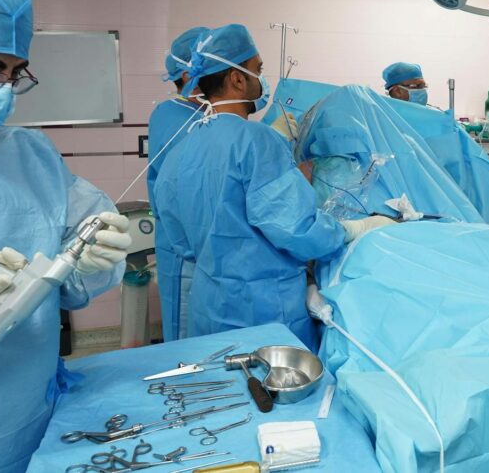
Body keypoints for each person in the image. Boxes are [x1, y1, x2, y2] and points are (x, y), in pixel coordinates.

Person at [0, 0, 132, 473]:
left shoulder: (30, 153)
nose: (2, 88)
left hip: (32, 410)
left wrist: (93, 258)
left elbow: (75, 262)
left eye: (14, 74)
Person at [153, 24, 391, 349]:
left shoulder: (183, 147)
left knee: (220, 376)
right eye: (258, 69)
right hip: (261, 310)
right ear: (237, 79)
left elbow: (179, 236)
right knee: (269, 380)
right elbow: (297, 229)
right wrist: (353, 229)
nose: (260, 80)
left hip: (209, 305)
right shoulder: (256, 141)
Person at [147, 26, 211, 341]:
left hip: (203, 249)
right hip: (185, 251)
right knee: (186, 339)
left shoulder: (203, 115)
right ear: (188, 76)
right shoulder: (176, 118)